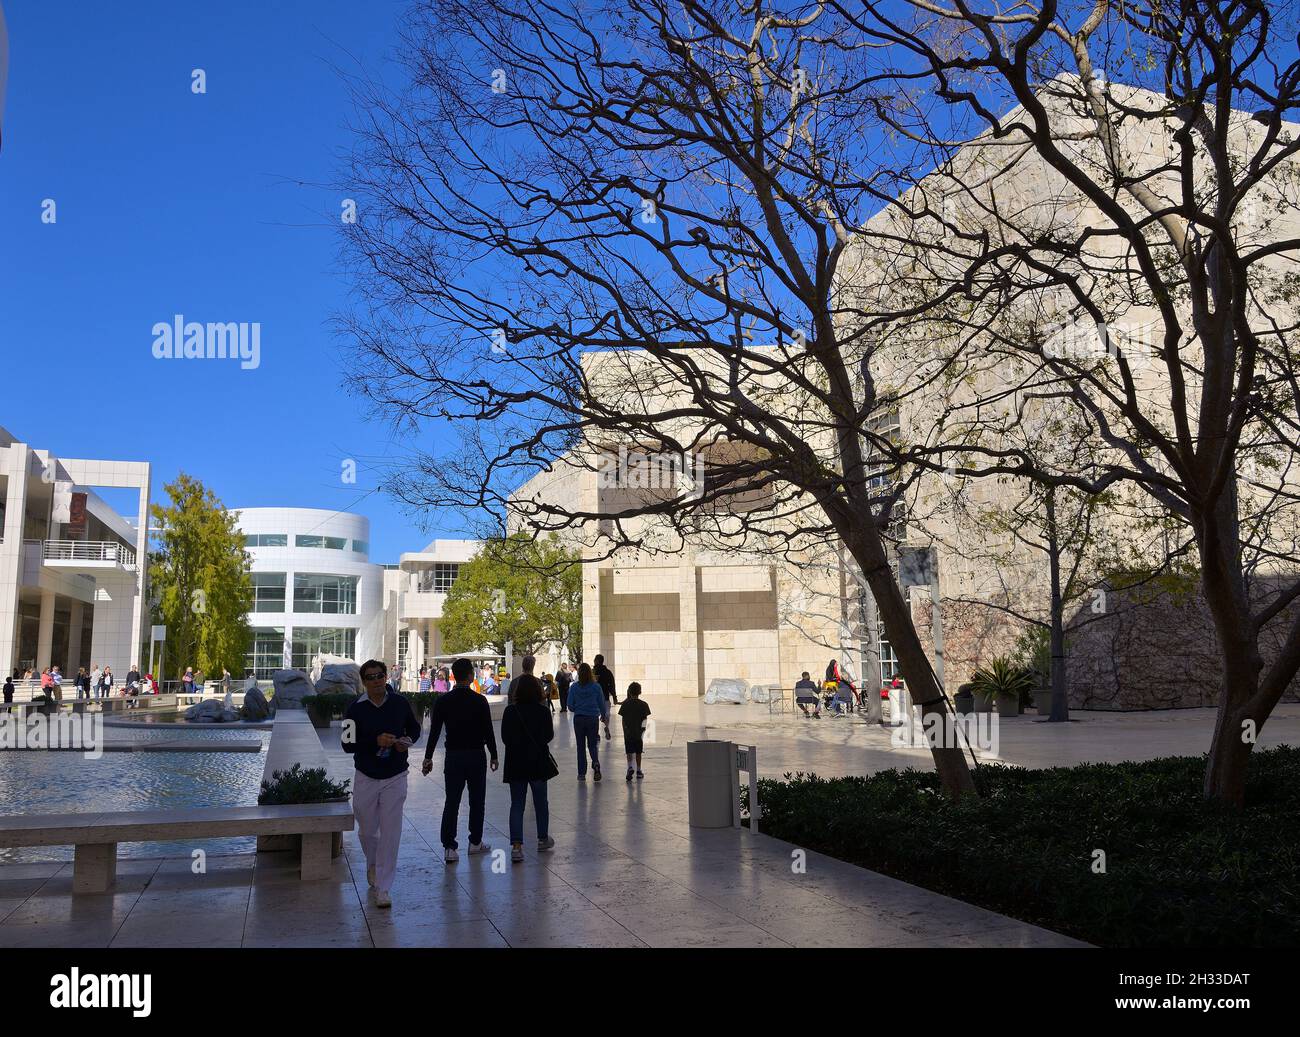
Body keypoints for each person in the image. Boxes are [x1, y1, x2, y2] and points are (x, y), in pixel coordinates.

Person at [342, 660, 421, 909]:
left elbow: (415, 729)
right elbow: (347, 744)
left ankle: (384, 887)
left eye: (380, 676)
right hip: (366, 775)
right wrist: (374, 741)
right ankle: (373, 864)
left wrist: (406, 740)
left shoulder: (400, 703)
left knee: (391, 831)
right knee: (366, 830)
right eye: (370, 677)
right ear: (364, 682)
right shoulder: (354, 708)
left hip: (396, 775)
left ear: (386, 677)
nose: (376, 680)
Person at [422, 657, 498, 862]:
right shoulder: (479, 701)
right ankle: (475, 842)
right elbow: (488, 731)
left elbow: (435, 732)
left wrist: (428, 757)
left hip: (454, 756)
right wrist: (494, 754)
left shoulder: (443, 701)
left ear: (453, 676)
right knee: (477, 801)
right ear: (471, 676)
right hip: (476, 755)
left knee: (452, 802)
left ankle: (449, 847)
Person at [500, 667, 556, 862]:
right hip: (537, 761)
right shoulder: (542, 711)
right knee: (541, 802)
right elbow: (549, 735)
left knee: (517, 804)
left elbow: (505, 738)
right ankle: (542, 838)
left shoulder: (510, 711)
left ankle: (516, 846)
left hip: (516, 762)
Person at [567, 662, 609, 781]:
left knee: (580, 747)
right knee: (592, 745)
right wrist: (603, 715)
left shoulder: (574, 687)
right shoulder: (596, 687)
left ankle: (581, 774)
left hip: (579, 719)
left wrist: (578, 708)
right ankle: (595, 762)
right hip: (592, 719)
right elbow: (601, 703)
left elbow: (570, 705)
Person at [618, 682, 651, 781]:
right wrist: (643, 730)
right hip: (638, 732)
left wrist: (625, 730)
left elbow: (623, 720)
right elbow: (645, 719)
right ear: (640, 692)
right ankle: (639, 770)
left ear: (629, 692)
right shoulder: (644, 704)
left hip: (628, 732)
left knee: (629, 751)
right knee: (638, 752)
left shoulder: (625, 704)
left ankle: (630, 767)